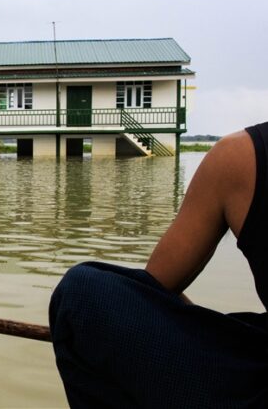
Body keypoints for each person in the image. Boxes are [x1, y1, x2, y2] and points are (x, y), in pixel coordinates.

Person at [49, 122, 268, 408]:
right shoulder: (243, 156)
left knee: (82, 294)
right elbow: (155, 293)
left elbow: (155, 291)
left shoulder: (241, 157)